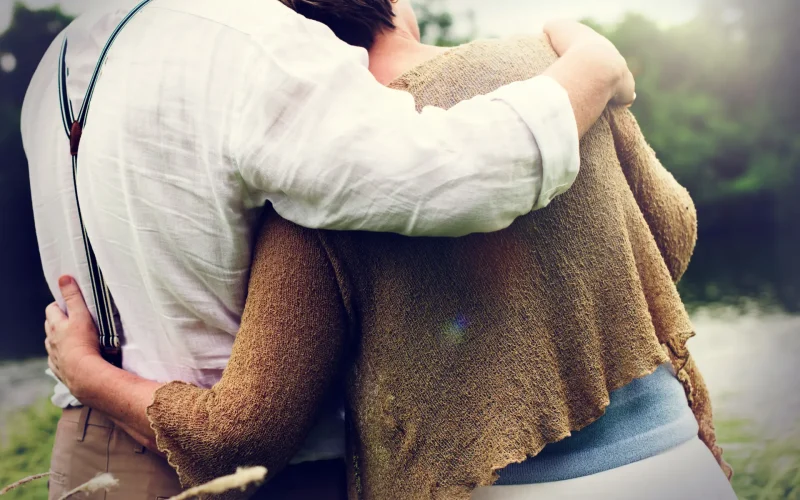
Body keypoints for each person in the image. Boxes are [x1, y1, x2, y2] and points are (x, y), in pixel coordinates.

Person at [44, 1, 737, 500]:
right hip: (674, 463)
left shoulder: (315, 179)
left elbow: (244, 429)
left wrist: (86, 372)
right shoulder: (545, 67)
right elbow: (669, 236)